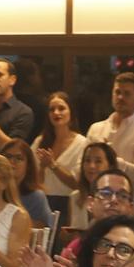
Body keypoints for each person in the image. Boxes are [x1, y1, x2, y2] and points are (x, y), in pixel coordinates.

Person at [86, 70, 134, 192]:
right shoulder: (96, 129)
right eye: (117, 92)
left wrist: (110, 157)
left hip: (129, 203)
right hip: (97, 200)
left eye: (127, 94)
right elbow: (84, 167)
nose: (120, 97)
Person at [34, 91, 89, 220]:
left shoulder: (82, 143)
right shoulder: (40, 141)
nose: (56, 113)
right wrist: (42, 168)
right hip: (42, 202)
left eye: (61, 108)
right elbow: (33, 180)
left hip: (69, 204)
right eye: (52, 109)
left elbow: (77, 183)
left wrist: (53, 165)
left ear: (71, 112)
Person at [64, 138, 120, 233]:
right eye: (87, 161)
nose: (91, 166)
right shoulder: (75, 197)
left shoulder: (117, 198)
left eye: (98, 161)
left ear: (110, 166)